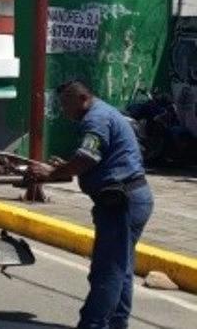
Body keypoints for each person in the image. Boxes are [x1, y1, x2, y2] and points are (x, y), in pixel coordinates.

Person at [28, 81, 154, 329]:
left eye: (66, 104)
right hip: (133, 197)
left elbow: (87, 157)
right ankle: (117, 322)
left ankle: (93, 323)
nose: (64, 111)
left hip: (121, 203)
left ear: (83, 98)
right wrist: (62, 167)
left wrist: (51, 173)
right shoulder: (104, 113)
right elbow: (94, 159)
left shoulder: (95, 119)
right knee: (121, 268)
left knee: (107, 271)